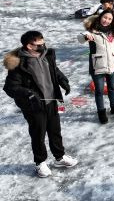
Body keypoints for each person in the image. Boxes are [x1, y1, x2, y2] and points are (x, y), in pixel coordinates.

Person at [3, 31, 78, 177]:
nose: (43, 45)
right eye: (39, 44)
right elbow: (10, 87)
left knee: (55, 130)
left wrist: (63, 81)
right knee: (38, 133)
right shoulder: (19, 63)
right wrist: (29, 95)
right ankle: (40, 162)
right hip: (34, 105)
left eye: (43, 42)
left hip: (51, 101)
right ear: (29, 46)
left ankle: (59, 157)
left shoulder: (47, 55)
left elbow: (54, 71)